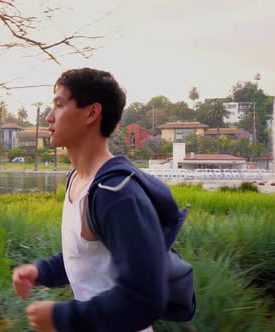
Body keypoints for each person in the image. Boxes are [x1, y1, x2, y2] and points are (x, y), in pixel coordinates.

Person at [12, 68, 195, 332]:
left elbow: (145, 297)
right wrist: (41, 271)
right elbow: (88, 258)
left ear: (91, 113)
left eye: (60, 105)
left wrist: (62, 317)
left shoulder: (117, 193)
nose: (50, 117)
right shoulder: (76, 179)